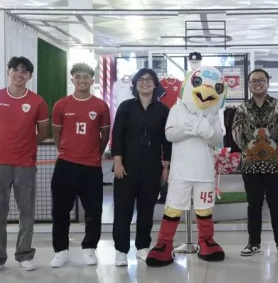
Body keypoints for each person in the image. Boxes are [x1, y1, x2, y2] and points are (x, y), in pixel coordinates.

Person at [146, 66, 227, 267]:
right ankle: (164, 244)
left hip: (205, 171)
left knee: (205, 209)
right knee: (173, 208)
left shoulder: (215, 115)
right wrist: (189, 130)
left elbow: (217, 139)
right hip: (181, 171)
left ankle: (206, 241)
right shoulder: (177, 108)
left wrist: (207, 133)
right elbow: (169, 134)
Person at [0, 56, 49, 275]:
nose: (20, 74)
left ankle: (24, 254)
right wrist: (2, 145)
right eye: (16, 70)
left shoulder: (38, 101)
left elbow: (43, 133)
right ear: (8, 72)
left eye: (24, 71)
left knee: (27, 211)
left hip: (25, 165)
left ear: (30, 75)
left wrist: (26, 147)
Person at [49, 63, 111, 268]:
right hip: (65, 165)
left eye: (86, 77)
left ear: (92, 80)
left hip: (91, 167)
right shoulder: (61, 105)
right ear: (72, 79)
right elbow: (56, 133)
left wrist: (94, 153)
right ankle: (61, 251)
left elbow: (104, 136)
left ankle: (89, 248)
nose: (82, 80)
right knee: (60, 211)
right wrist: (66, 151)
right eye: (78, 77)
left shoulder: (101, 106)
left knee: (93, 210)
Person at [111, 68, 171, 267]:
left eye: (149, 80)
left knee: (146, 210)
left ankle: (143, 247)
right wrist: (118, 163)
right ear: (135, 84)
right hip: (126, 168)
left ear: (155, 84)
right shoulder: (126, 107)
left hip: (151, 168)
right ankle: (120, 250)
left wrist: (166, 165)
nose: (145, 83)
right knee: (123, 210)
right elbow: (117, 136)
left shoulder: (163, 110)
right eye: (141, 80)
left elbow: (166, 141)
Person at [232, 68, 278, 258]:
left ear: (268, 83)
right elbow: (237, 134)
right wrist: (250, 150)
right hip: (250, 165)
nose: (257, 83)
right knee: (253, 205)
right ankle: (254, 243)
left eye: (261, 80)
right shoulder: (242, 109)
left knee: (276, 203)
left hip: (275, 164)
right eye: (253, 81)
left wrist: (277, 152)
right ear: (249, 85)